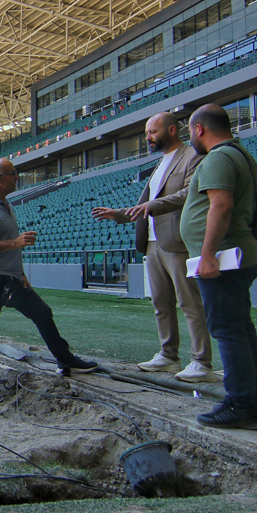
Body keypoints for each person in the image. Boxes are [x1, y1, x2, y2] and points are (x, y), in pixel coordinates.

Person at [91, 112, 214, 383]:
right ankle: (168, 356)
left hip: (176, 241)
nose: (147, 137)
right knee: (160, 303)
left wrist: (151, 206)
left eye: (152, 132)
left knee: (189, 303)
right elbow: (145, 204)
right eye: (146, 133)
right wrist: (119, 214)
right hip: (152, 242)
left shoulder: (192, 156)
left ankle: (201, 361)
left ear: (171, 130)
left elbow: (189, 193)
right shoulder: (160, 163)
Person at [0, 158, 98, 405]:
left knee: (43, 313)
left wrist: (21, 273)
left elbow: (7, 248)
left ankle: (65, 359)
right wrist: (16, 242)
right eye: (13, 173)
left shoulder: (5, 205)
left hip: (12, 279)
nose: (17, 177)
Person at [181, 103, 257, 429]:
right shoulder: (244, 156)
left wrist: (207, 255)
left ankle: (241, 405)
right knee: (242, 327)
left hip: (223, 261)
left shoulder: (218, 158)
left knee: (228, 330)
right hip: (240, 254)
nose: (191, 137)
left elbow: (220, 205)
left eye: (190, 131)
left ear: (199, 129)